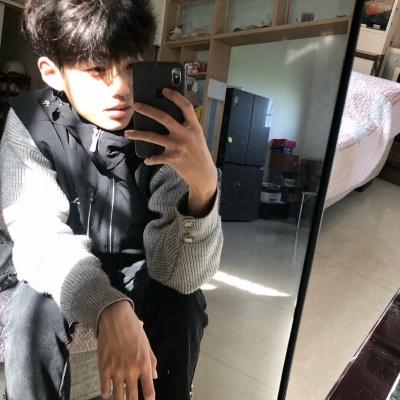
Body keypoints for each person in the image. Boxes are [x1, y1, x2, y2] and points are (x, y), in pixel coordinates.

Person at [0, 0, 223, 399]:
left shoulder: (165, 128)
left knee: (184, 306)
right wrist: (106, 306)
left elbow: (180, 276)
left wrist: (203, 191)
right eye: (97, 69)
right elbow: (39, 238)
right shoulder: (30, 121)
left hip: (144, 265)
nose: (121, 87)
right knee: (29, 316)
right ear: (52, 72)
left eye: (132, 65)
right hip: (65, 264)